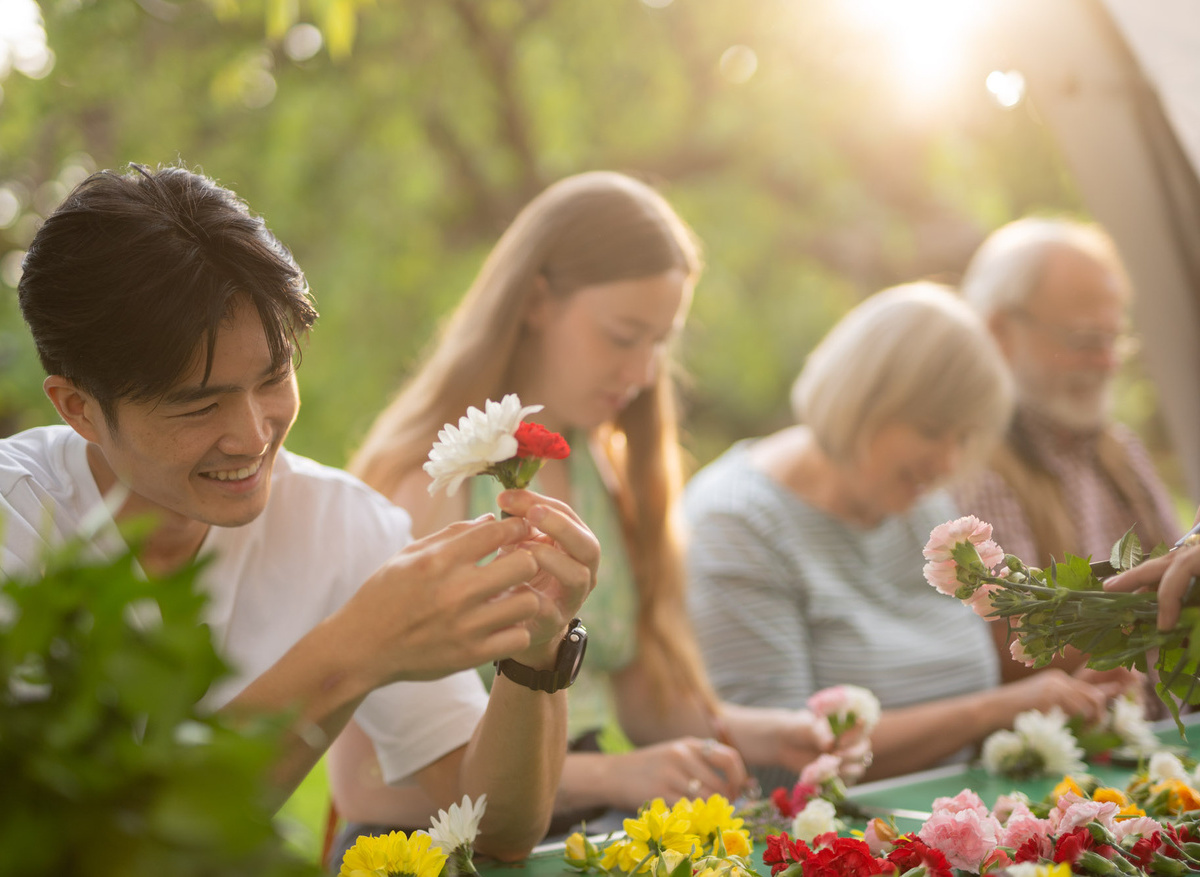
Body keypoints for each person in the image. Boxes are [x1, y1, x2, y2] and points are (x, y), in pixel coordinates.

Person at [0, 165, 599, 859]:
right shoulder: (17, 527)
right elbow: (97, 852)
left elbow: (499, 825)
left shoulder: (338, 522)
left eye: (273, 376)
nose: (254, 436)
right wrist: (356, 649)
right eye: (200, 405)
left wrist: (536, 658)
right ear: (77, 407)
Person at [332, 170, 861, 843]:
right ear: (535, 303)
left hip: (579, 826)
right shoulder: (421, 485)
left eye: (660, 342)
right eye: (622, 335)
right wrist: (614, 776)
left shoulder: (604, 471)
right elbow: (366, 780)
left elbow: (644, 705)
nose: (642, 373)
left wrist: (772, 734)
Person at [683, 283, 1119, 782]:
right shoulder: (737, 522)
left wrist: (1081, 681)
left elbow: (980, 661)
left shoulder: (916, 501)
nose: (949, 463)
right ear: (861, 400)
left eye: (964, 437)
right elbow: (775, 762)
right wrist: (993, 710)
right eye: (933, 430)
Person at [951, 217, 1181, 577]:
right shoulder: (972, 467)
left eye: (1113, 339)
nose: (1108, 363)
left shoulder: (1118, 450)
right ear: (999, 331)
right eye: (1085, 339)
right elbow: (1016, 625)